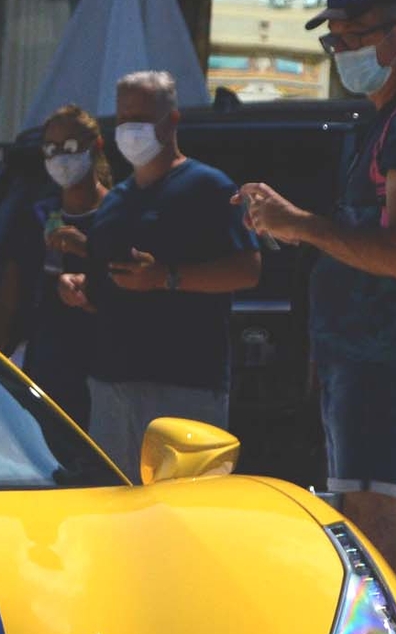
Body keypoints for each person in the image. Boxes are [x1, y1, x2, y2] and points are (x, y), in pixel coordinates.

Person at [233, 0, 396, 579]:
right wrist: (293, 225)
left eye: (355, 37)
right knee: (369, 516)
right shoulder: (389, 117)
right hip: (365, 357)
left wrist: (303, 225)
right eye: (333, 39)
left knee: (372, 521)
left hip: (382, 358)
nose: (342, 52)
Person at [55, 71, 260, 476]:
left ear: (172, 121)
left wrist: (167, 277)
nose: (131, 129)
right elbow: (102, 282)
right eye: (124, 117)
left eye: (143, 118)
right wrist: (76, 288)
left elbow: (247, 270)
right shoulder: (115, 201)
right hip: (112, 384)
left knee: (183, 512)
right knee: (112, 507)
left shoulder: (208, 188)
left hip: (186, 386)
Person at [0, 103, 109, 428]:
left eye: (69, 147)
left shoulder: (117, 213)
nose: (60, 158)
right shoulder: (38, 215)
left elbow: (135, 278)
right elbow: (8, 300)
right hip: (46, 366)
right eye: (51, 149)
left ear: (95, 146)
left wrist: (89, 256)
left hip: (102, 369)